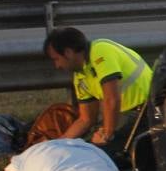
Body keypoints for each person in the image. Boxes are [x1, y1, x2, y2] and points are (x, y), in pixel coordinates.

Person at [42, 27, 151, 160]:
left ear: (68, 52)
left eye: (56, 59)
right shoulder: (80, 76)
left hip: (148, 111)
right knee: (85, 150)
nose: (56, 66)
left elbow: (112, 99)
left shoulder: (100, 51)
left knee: (99, 156)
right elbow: (86, 119)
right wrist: (58, 145)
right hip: (128, 115)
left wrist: (106, 135)